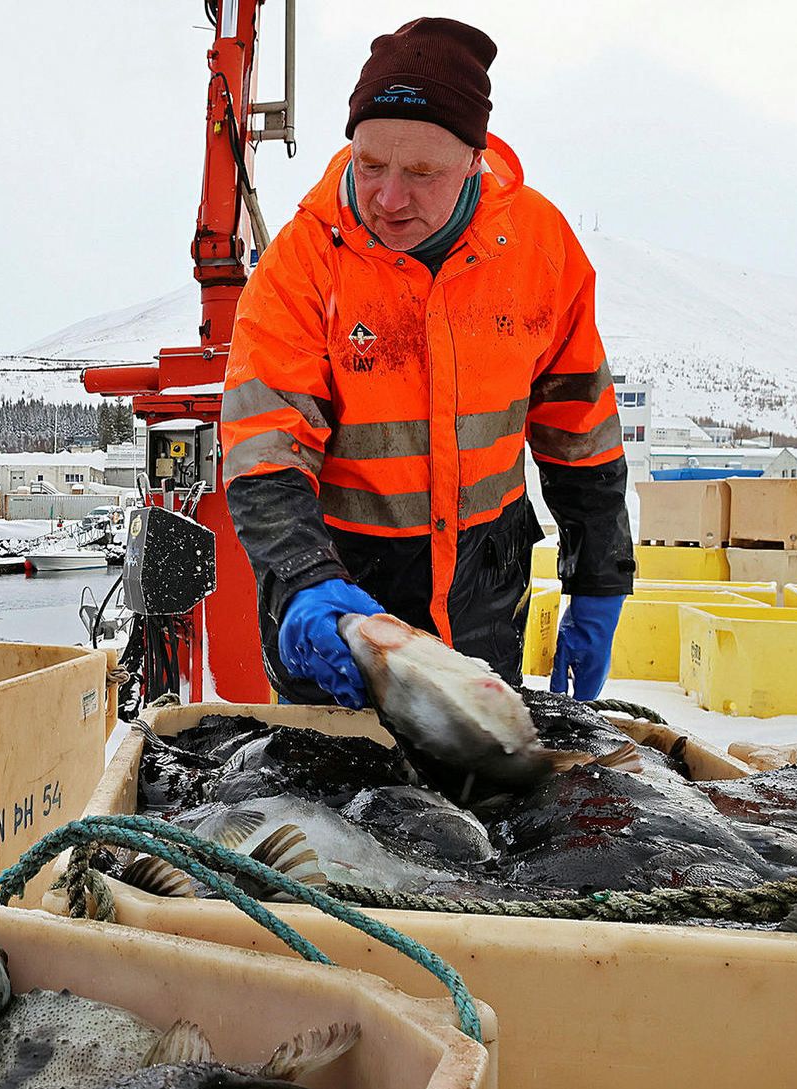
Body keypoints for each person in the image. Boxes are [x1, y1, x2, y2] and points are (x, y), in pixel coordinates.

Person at [222, 16, 635, 709]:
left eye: (421, 173)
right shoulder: (303, 262)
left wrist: (598, 579)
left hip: (483, 610)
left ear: (476, 160)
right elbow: (264, 449)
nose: (388, 198)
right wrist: (303, 580)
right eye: (371, 164)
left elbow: (580, 431)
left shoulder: (539, 248)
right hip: (342, 621)